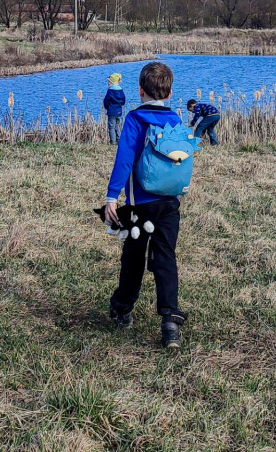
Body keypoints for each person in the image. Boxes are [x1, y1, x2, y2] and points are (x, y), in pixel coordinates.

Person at [101, 61, 188, 349]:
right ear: (170, 92)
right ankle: (170, 321)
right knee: (165, 256)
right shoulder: (175, 120)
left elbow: (124, 159)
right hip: (169, 203)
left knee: (134, 257)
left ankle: (123, 309)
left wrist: (112, 196)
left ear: (139, 91)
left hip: (140, 204)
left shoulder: (135, 119)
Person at [102, 72, 126, 145]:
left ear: (111, 82)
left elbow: (106, 100)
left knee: (111, 127)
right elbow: (123, 101)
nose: (107, 83)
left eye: (109, 81)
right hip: (119, 111)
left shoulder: (110, 91)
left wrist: (107, 107)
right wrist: (119, 105)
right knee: (117, 126)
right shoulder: (121, 90)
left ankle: (113, 142)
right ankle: (119, 141)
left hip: (112, 111)